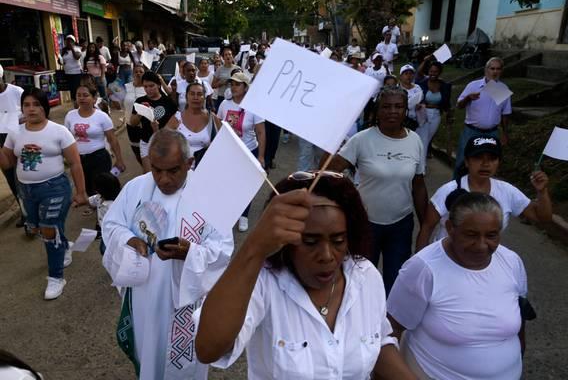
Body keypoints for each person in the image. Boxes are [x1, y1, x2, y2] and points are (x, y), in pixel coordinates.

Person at [196, 173, 417, 379]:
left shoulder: (366, 275)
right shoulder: (263, 282)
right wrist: (253, 248)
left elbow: (378, 342)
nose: (327, 255)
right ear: (284, 241)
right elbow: (208, 349)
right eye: (310, 242)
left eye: (339, 240)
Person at [102, 129, 234, 379]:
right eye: (156, 169)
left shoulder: (210, 194)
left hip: (186, 302)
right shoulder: (136, 188)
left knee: (184, 365)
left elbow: (223, 249)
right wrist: (129, 240)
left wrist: (191, 253)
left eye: (173, 170)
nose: (163, 180)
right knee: (149, 354)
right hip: (144, 297)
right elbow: (111, 225)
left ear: (189, 163)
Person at [387, 192, 529, 379]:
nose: (481, 245)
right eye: (471, 235)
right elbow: (391, 329)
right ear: (450, 228)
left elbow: (520, 317)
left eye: (492, 235)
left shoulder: (511, 262)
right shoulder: (423, 268)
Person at [327, 86, 428, 294]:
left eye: (398, 106)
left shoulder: (415, 141)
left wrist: (425, 225)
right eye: (387, 106)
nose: (393, 111)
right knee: (359, 278)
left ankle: (388, 323)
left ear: (405, 110)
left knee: (396, 278)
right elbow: (330, 171)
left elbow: (418, 185)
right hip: (366, 223)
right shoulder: (362, 139)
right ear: (378, 110)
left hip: (401, 224)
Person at [0, 88, 87, 299]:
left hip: (54, 188)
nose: (31, 109)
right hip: (26, 190)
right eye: (26, 105)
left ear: (45, 107)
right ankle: (64, 246)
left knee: (49, 230)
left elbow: (75, 163)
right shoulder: (15, 133)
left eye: (36, 104)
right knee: (37, 227)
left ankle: (56, 277)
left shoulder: (59, 132)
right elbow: (8, 163)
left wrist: (81, 192)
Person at [416, 135, 552, 249]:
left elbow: (542, 217)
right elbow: (427, 227)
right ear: (467, 162)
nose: (485, 163)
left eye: (492, 158)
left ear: (499, 162)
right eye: (478, 157)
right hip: (447, 259)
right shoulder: (448, 191)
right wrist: (419, 264)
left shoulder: (507, 191)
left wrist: (542, 192)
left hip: (484, 260)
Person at [217, 72, 265, 232]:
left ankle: (244, 215)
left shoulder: (254, 107)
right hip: (229, 151)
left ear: (245, 87)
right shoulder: (224, 104)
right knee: (229, 183)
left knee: (245, 185)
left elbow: (261, 133)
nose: (233, 87)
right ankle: (230, 212)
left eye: (237, 84)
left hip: (249, 150)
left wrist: (261, 156)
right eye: (232, 84)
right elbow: (218, 125)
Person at [64, 83, 126, 201]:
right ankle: (94, 206)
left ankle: (105, 209)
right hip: (79, 159)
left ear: (94, 99)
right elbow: (66, 138)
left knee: (102, 187)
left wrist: (119, 159)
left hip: (99, 158)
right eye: (79, 95)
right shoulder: (70, 116)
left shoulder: (102, 117)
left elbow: (112, 139)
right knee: (87, 187)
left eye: (85, 95)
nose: (81, 98)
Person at [455, 56, 511, 178]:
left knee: (488, 164)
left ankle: (481, 192)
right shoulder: (473, 86)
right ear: (486, 70)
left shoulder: (503, 89)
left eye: (498, 69)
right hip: (471, 132)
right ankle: (457, 189)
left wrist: (505, 133)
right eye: (492, 68)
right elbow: (459, 105)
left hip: (491, 133)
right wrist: (468, 98)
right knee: (462, 162)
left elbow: (505, 113)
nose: (495, 72)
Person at [130, 71, 178, 173]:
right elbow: (132, 123)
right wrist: (141, 111)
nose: (148, 89)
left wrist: (158, 130)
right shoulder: (140, 101)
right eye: (145, 87)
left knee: (163, 172)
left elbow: (175, 124)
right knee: (149, 175)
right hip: (146, 142)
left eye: (151, 86)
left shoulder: (168, 102)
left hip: (164, 143)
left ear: (158, 85)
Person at [167, 82, 221, 167]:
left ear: (204, 97)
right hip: (181, 169)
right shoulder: (177, 118)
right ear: (186, 97)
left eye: (199, 94)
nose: (195, 97)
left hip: (206, 167)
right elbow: (163, 140)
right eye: (192, 94)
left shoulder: (212, 118)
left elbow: (221, 142)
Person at [0, 65, 25, 226]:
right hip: (1, 140)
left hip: (17, 136)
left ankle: (32, 210)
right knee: (10, 176)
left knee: (23, 175)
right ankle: (24, 212)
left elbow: (30, 112)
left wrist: (11, 121)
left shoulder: (17, 91)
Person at [415, 58, 452, 157]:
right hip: (423, 113)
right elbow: (418, 73)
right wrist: (426, 60)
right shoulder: (423, 82)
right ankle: (419, 160)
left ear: (439, 72)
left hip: (435, 115)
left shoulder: (444, 85)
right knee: (420, 138)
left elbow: (446, 102)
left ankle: (421, 160)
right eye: (431, 71)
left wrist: (448, 113)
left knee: (428, 138)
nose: (433, 73)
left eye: (435, 71)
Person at [88, 172, 121, 255]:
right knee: (103, 250)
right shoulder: (99, 197)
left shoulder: (112, 206)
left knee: (105, 250)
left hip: (113, 234)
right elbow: (91, 200)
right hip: (104, 232)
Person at [123, 63, 146, 165]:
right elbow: (118, 97)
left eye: (141, 72)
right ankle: (144, 168)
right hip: (130, 124)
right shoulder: (127, 87)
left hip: (145, 125)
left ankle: (149, 170)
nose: (138, 74)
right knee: (136, 150)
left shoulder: (148, 87)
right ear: (132, 74)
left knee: (147, 150)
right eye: (136, 71)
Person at [212, 47, 240, 111]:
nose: (228, 56)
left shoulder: (238, 68)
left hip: (234, 97)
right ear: (223, 57)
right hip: (222, 97)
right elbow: (213, 85)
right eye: (226, 55)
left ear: (232, 56)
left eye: (229, 54)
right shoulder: (219, 69)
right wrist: (221, 83)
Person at [398, 64, 424, 131]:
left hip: (415, 120)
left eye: (411, 74)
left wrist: (420, 106)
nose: (409, 76)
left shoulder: (417, 87)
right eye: (406, 74)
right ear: (400, 76)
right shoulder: (397, 89)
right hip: (400, 120)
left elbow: (421, 100)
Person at [59, 35, 82, 106]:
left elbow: (77, 57)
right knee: (72, 91)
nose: (68, 42)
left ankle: (79, 105)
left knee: (76, 90)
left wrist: (72, 48)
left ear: (73, 42)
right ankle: (76, 105)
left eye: (70, 41)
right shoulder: (64, 50)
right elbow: (61, 61)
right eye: (67, 41)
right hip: (68, 73)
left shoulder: (77, 49)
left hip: (76, 73)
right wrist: (60, 61)